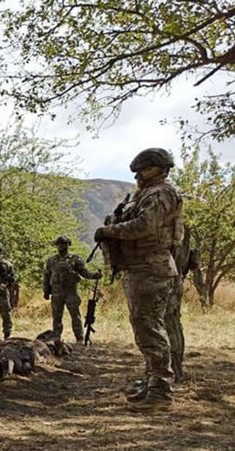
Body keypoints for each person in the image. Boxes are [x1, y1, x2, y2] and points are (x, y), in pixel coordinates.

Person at [94, 147, 183, 411]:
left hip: (151, 268)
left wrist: (109, 231)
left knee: (151, 329)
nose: (139, 175)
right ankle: (152, 381)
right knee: (145, 328)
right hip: (141, 268)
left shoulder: (160, 193)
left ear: (159, 169)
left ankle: (160, 392)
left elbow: (145, 226)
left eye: (145, 170)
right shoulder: (147, 193)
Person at [43, 235, 102, 343]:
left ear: (68, 245)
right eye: (59, 244)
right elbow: (46, 276)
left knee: (75, 316)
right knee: (56, 316)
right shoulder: (51, 260)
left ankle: (79, 337)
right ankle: (56, 338)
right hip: (56, 292)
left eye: (63, 244)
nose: (61, 246)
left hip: (71, 291)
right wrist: (46, 290)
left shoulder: (75, 259)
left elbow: (84, 272)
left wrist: (94, 276)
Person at [168, 225, 198, 382]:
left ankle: (172, 370)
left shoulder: (169, 228)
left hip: (168, 282)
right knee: (174, 324)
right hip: (177, 281)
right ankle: (176, 368)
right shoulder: (183, 229)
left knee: (169, 325)